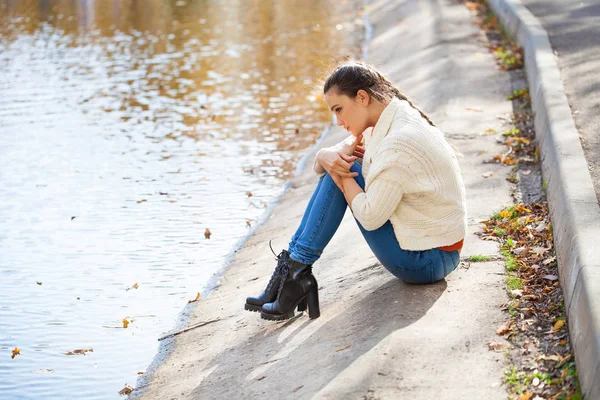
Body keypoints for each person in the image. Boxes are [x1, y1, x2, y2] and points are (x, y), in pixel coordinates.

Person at [245, 61, 467, 321]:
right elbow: (323, 165)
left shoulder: (398, 142)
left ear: (362, 97)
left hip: (427, 261)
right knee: (338, 167)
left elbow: (370, 217)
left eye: (339, 110)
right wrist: (324, 154)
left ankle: (294, 276)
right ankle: (291, 274)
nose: (338, 122)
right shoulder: (386, 119)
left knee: (340, 171)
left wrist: (341, 174)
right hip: (434, 248)